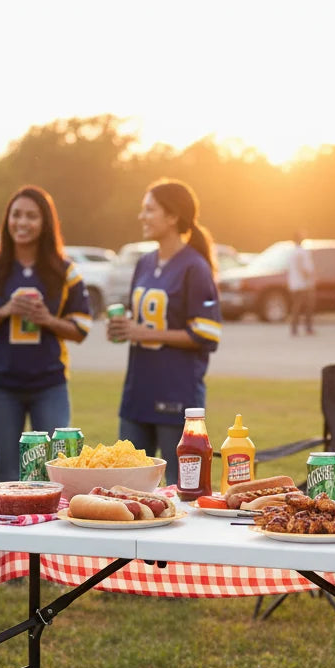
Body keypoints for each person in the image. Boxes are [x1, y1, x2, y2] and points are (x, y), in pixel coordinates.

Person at [0, 185, 92, 482]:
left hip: (50, 383)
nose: (22, 222)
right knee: (8, 474)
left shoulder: (65, 270)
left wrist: (46, 319)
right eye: (16, 214)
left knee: (57, 471)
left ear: (46, 222)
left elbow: (81, 329)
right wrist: (4, 311)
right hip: (1, 385)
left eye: (32, 216)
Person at [106, 178, 221, 484]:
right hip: (137, 392)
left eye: (149, 210)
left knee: (182, 486)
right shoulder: (144, 262)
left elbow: (207, 333)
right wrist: (123, 328)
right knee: (127, 483)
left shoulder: (195, 267)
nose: (141, 216)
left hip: (176, 394)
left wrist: (145, 333)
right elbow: (141, 322)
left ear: (172, 216)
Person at [287, 230, 316, 335]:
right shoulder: (301, 252)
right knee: (307, 306)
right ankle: (308, 328)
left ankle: (294, 328)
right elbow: (301, 266)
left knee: (296, 306)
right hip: (303, 284)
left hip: (294, 283)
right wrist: (307, 278)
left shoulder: (291, 252)